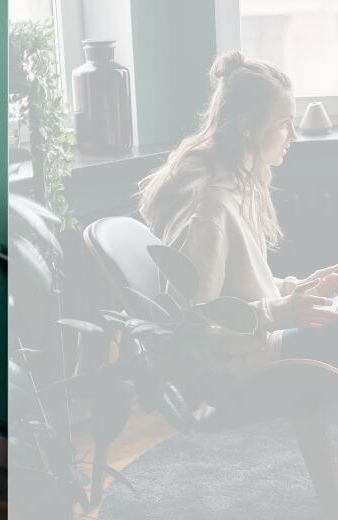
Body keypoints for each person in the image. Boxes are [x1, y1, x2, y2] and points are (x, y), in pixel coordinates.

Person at [138, 52, 338, 372]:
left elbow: (237, 289)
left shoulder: (237, 185)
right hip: (234, 368)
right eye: (285, 124)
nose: (294, 135)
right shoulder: (209, 209)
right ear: (248, 125)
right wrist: (280, 313)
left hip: (260, 345)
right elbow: (190, 329)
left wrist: (300, 290)